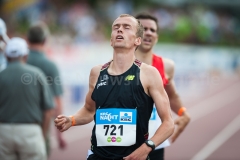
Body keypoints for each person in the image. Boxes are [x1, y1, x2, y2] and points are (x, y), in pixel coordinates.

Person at [55, 14, 174, 160]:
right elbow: (89, 110)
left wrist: (146, 148)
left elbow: (168, 123)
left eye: (126, 27)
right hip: (98, 156)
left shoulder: (149, 73)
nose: (119, 30)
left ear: (138, 40)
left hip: (133, 157)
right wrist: (71, 120)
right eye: (116, 27)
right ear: (111, 40)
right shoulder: (96, 72)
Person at [135, 13, 191, 160]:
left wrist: (183, 112)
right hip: (124, 142)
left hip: (155, 143)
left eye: (152, 30)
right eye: (143, 28)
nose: (148, 32)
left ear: (156, 37)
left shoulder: (166, 66)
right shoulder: (117, 66)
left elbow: (171, 96)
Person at [0, 37, 54, 160]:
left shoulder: (1, 75)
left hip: (3, 132)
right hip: (30, 132)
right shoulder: (37, 74)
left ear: (7, 56)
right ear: (25, 55)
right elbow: (48, 110)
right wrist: (42, 136)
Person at [26, 21, 67, 156]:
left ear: (27, 40)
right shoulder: (50, 65)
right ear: (45, 40)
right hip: (41, 122)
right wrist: (60, 133)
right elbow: (57, 100)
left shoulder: (18, 60)